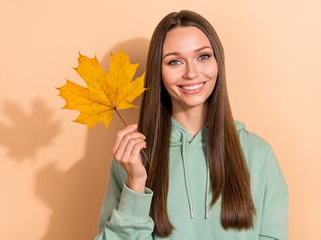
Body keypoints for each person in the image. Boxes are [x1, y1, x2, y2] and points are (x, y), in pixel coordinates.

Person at [95, 10, 288, 240]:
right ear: (158, 71)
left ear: (218, 62)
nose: (192, 72)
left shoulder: (258, 154)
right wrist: (136, 183)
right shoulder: (134, 158)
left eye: (203, 56)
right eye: (174, 61)